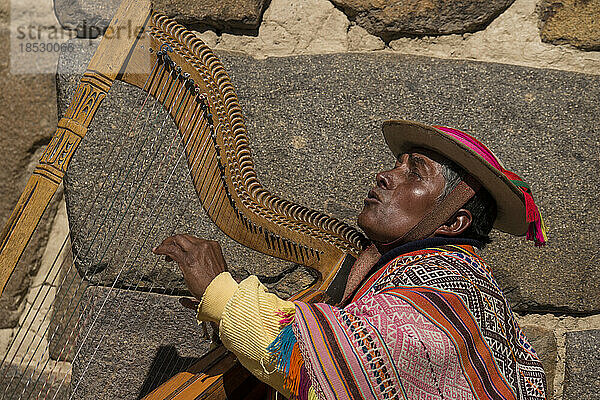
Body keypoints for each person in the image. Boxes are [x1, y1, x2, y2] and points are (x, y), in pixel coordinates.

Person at [153, 120, 548, 400]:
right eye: (396, 164)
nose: (386, 175)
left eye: (415, 174)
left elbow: (305, 357)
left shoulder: (445, 285)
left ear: (454, 220)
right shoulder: (430, 277)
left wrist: (219, 290)